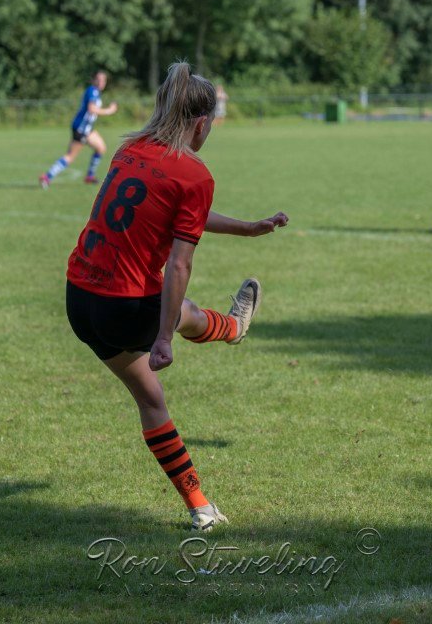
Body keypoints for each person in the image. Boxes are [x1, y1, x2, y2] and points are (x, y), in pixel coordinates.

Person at [65, 62, 288, 531]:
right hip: (125, 303)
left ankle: (201, 507)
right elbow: (180, 265)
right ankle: (232, 327)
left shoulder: (131, 149)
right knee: (180, 314)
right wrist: (165, 337)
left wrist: (247, 228)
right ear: (203, 123)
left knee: (151, 401)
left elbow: (174, 211)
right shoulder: (195, 175)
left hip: (80, 297)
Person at [40, 70, 119, 188]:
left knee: (101, 148)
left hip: (87, 129)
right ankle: (47, 177)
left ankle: (90, 176)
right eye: (99, 79)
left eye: (104, 80)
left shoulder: (96, 92)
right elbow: (92, 109)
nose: (101, 82)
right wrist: (109, 111)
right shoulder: (92, 91)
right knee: (70, 156)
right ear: (93, 80)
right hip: (81, 129)